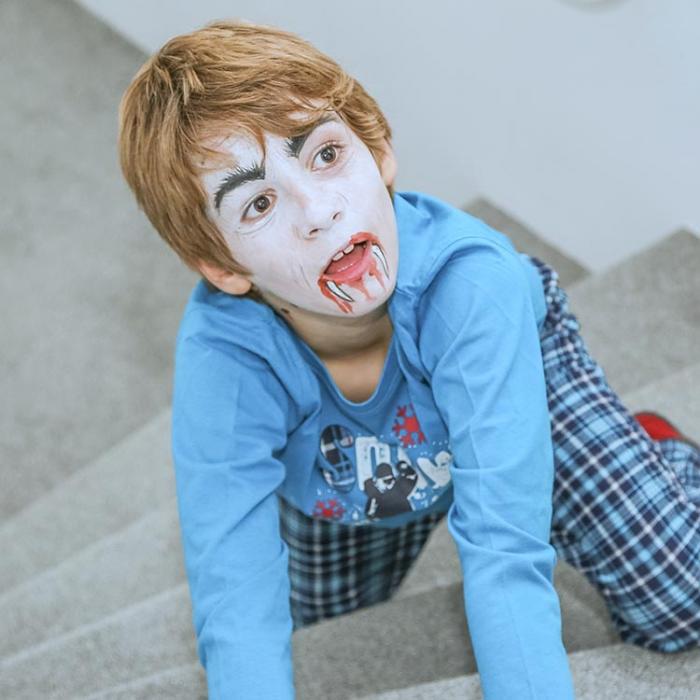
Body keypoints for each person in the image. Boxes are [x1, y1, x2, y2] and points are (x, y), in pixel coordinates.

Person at [117, 19, 700, 700]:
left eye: (326, 155)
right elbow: (237, 602)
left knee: (678, 598)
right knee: (336, 635)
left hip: (510, 380)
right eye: (259, 203)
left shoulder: (475, 287)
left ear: (379, 147)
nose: (318, 211)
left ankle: (658, 452)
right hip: (352, 478)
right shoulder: (224, 359)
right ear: (222, 266)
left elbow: (503, 553)